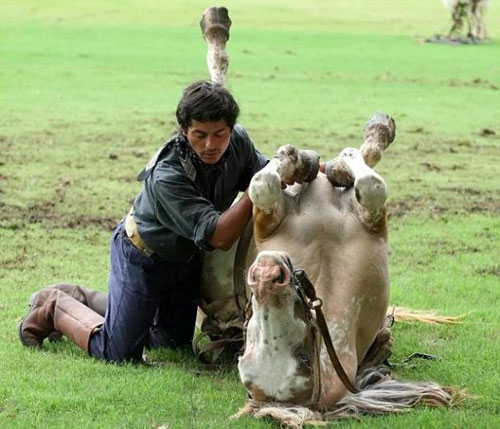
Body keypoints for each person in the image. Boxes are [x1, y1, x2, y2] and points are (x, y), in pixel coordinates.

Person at [18, 81, 268, 362]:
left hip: (185, 262)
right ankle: (53, 305)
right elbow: (218, 236)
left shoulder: (238, 143)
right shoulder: (167, 173)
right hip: (142, 257)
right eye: (200, 135)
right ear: (184, 131)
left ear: (231, 130)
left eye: (219, 134)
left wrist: (314, 168)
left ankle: (83, 298)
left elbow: (270, 170)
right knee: (119, 353)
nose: (210, 145)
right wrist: (257, 189)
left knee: (169, 343)